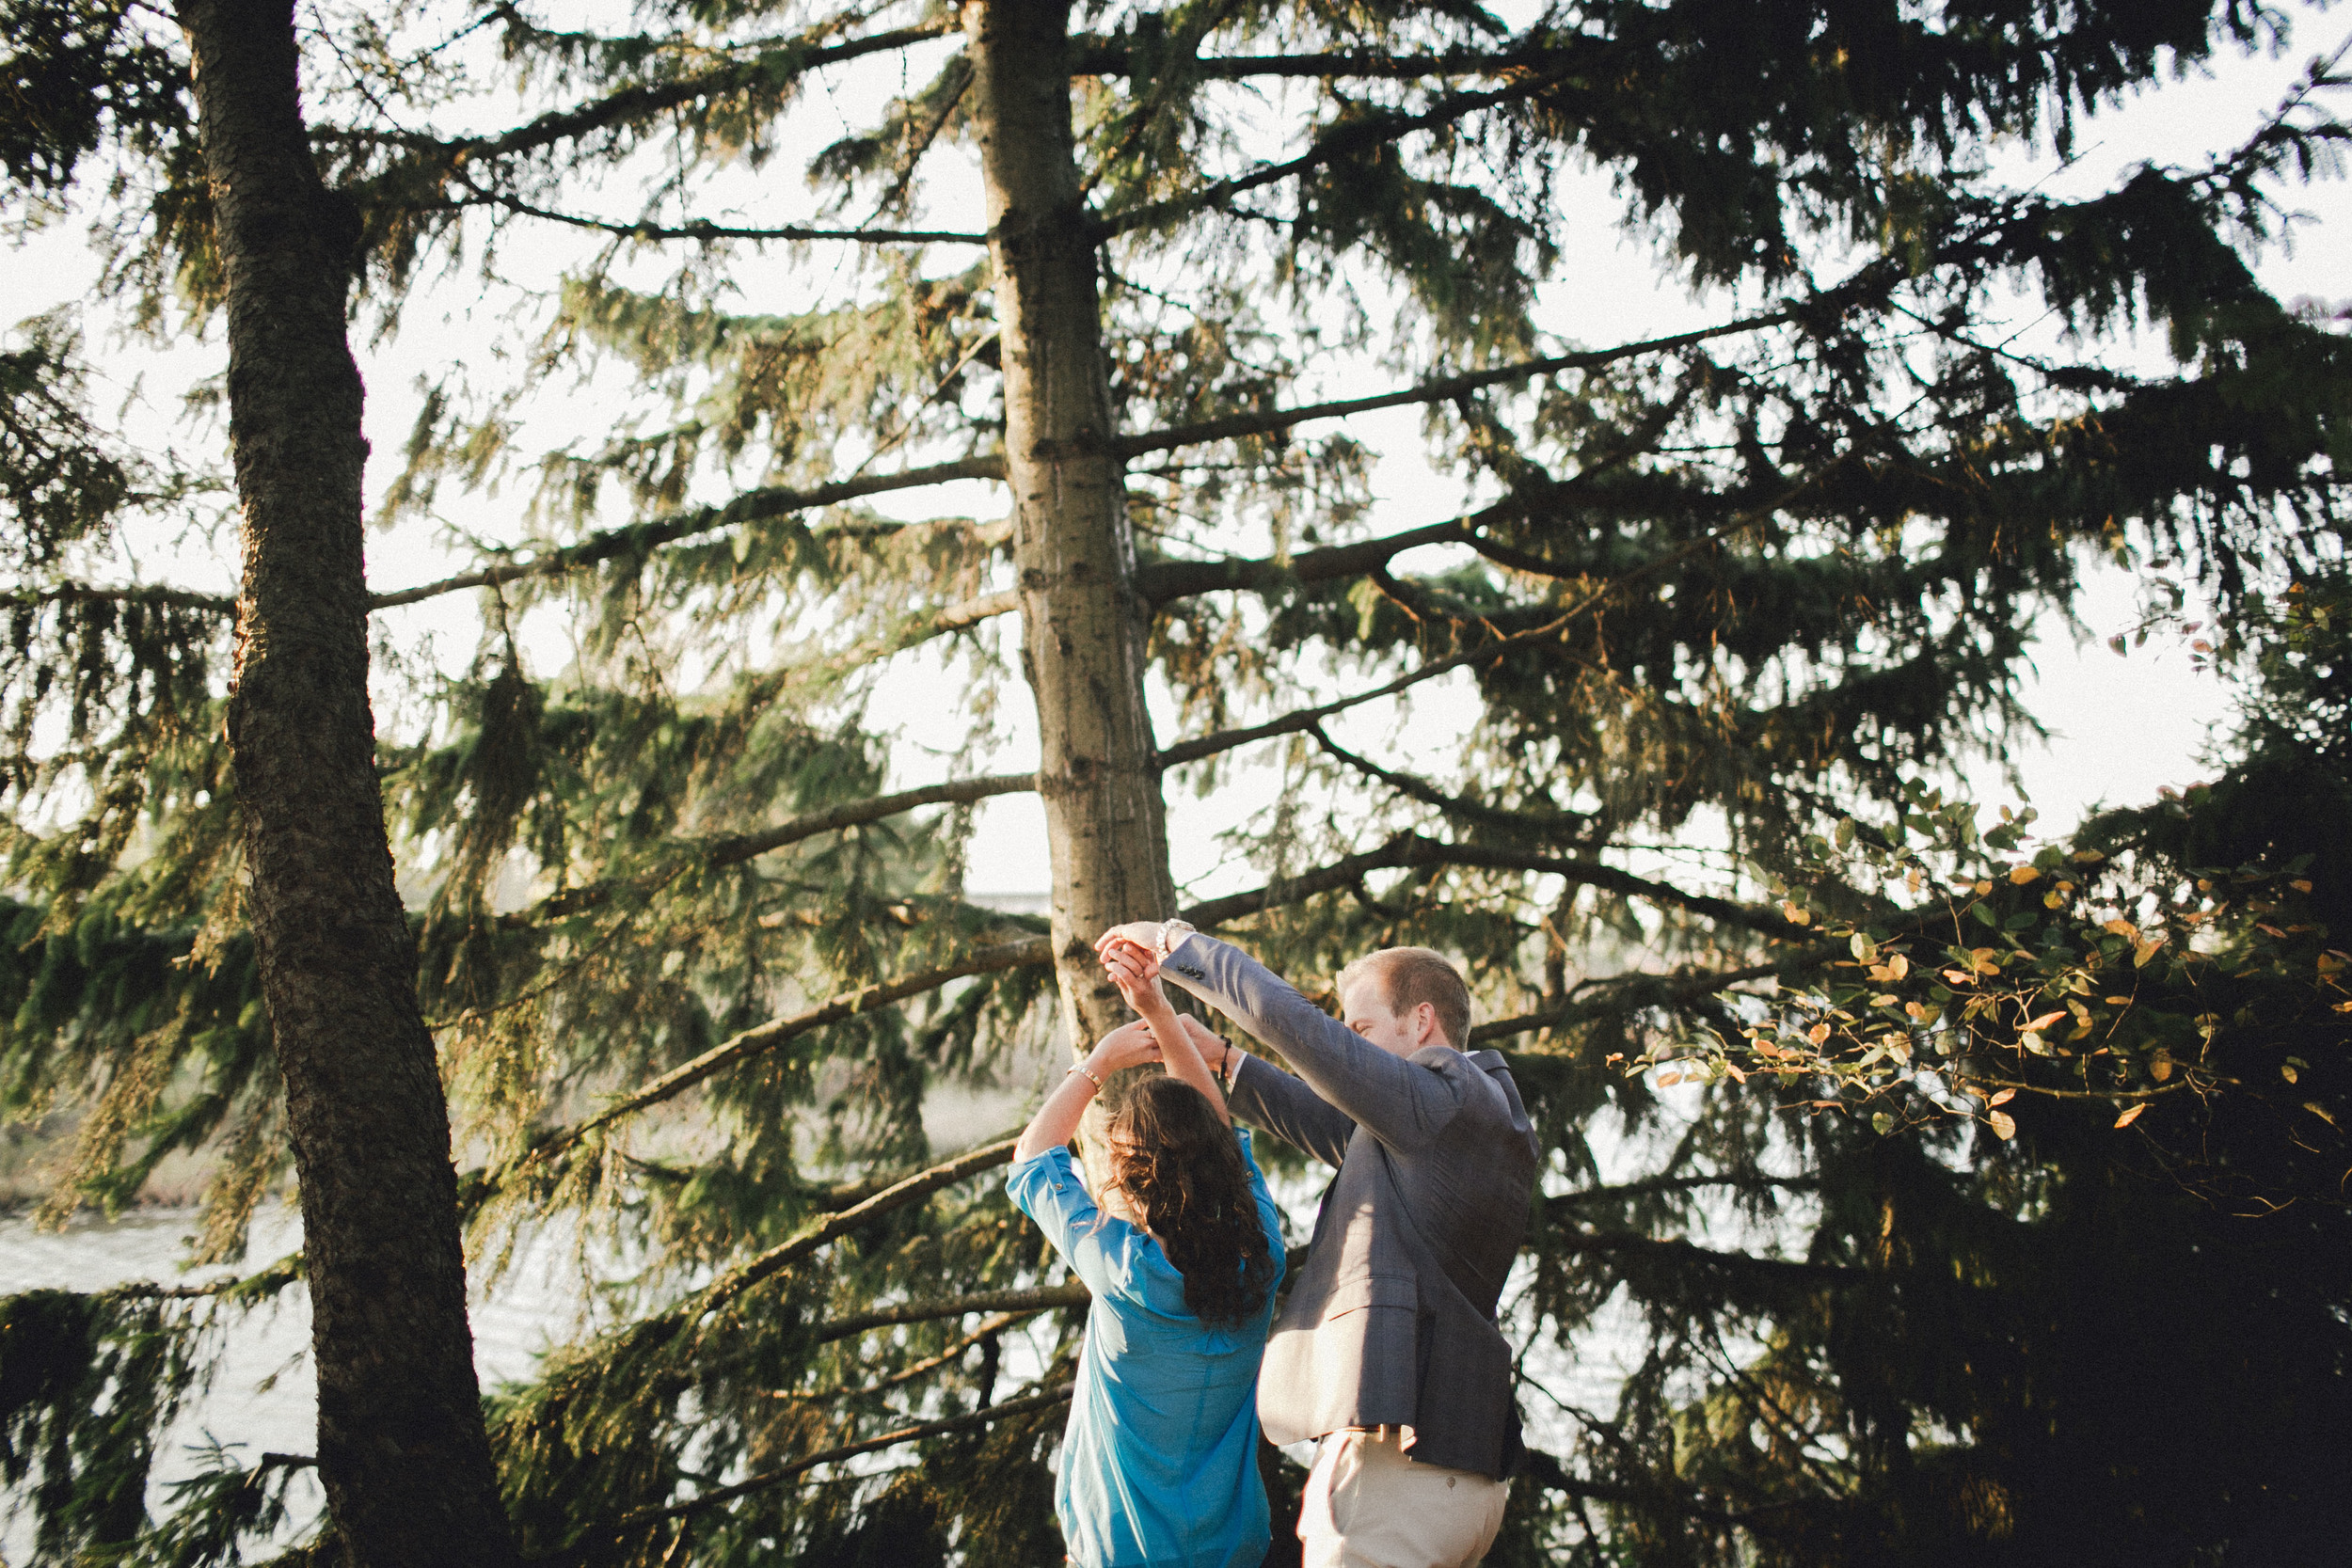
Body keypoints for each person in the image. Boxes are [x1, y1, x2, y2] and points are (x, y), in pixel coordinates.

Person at [1097, 920, 1540, 1568]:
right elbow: (1338, 1126)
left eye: (1359, 1030)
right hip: (1464, 1480)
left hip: (1397, 1480)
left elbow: (1306, 1034)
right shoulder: (1479, 1117)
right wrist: (1225, 1059)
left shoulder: (1445, 1092)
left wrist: (1179, 946)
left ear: (1421, 1023)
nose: (1348, 1047)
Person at [1005, 993, 1286, 1568]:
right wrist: (1159, 1013)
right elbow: (1221, 1138)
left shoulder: (1118, 1268)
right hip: (1233, 1552)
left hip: (1118, 1555)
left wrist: (1099, 1061)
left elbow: (1032, 1156)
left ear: (1127, 1180)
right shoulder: (1263, 1255)